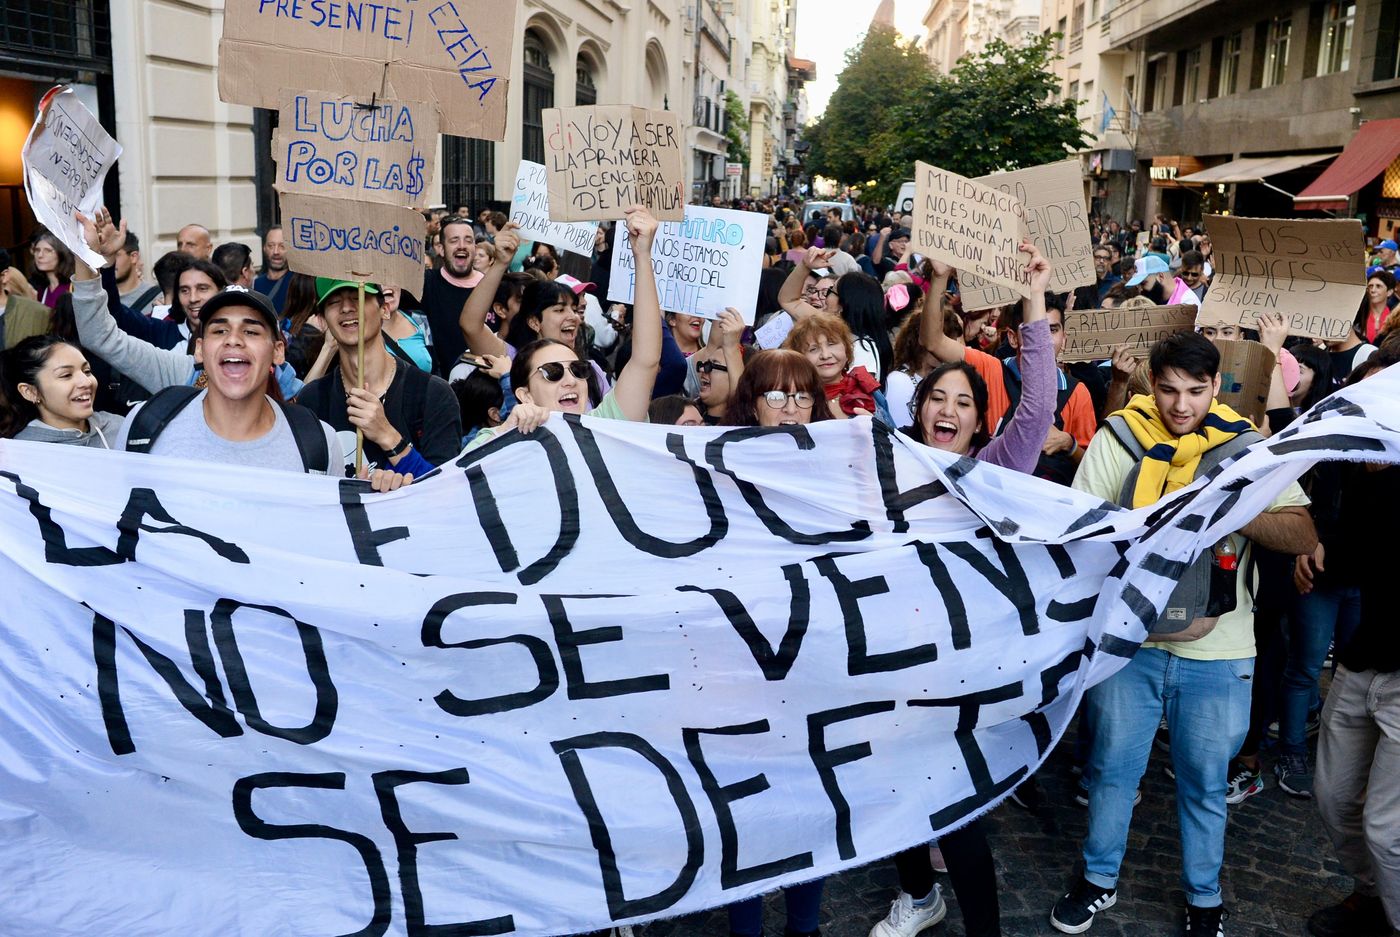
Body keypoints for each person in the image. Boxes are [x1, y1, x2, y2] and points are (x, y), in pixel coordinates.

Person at [1048, 331, 1316, 937]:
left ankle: (1204, 898)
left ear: (1216, 386)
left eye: (1196, 391)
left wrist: (1228, 503)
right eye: (1169, 390)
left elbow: (1302, 532)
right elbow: (1078, 535)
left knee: (1205, 784)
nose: (1181, 405)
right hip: (1129, 646)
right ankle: (1097, 879)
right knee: (1112, 773)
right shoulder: (1121, 437)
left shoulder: (1246, 450)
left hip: (1220, 651)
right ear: (1151, 381)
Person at [870, 240, 1055, 937]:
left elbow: (1036, 409)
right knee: (897, 793)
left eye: (964, 402)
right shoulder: (887, 468)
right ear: (920, 411)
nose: (948, 409)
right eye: (937, 398)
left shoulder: (994, 472)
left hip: (965, 666)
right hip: (894, 660)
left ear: (979, 422)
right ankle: (919, 895)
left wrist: (1033, 301)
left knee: (957, 807)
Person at [1304, 355, 1400, 937]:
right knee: (1333, 799)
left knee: (1388, 830)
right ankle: (1373, 898)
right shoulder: (1366, 470)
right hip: (1363, 661)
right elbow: (1359, 552)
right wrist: (1317, 552)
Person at [465, 206, 661, 449]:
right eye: (552, 372)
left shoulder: (603, 425)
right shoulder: (503, 439)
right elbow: (470, 326)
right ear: (525, 395)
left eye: (578, 370)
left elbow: (646, 360)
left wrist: (642, 255)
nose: (570, 380)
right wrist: (508, 431)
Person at [296, 278, 461, 476]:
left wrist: (387, 435)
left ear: (384, 310)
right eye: (334, 302)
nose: (346, 308)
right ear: (323, 320)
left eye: (358, 297)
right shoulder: (311, 401)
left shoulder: (433, 394)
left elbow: (446, 486)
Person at [0, 335, 123, 447]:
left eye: (87, 371)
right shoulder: (22, 452)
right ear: (30, 392)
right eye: (66, 375)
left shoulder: (120, 427)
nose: (86, 382)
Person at [783, 313, 888, 423]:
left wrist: (877, 428)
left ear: (847, 349)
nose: (825, 355)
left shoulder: (865, 386)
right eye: (813, 349)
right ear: (799, 358)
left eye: (832, 344)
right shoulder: (793, 401)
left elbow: (892, 432)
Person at [420, 216, 484, 375]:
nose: (462, 246)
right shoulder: (426, 283)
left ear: (475, 248)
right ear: (441, 249)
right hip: (442, 383)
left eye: (468, 240)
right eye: (454, 240)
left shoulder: (491, 288)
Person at [1124, 255, 1201, 308]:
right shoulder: (1157, 298)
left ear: (1160, 276)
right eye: (1138, 285)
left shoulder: (1187, 302)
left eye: (1143, 283)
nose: (1140, 289)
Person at [114, 231, 160, 315]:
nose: (108, 261)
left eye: (116, 254)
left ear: (133, 257)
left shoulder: (157, 297)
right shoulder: (98, 298)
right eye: (105, 256)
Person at [29, 231, 73, 309]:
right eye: (37, 250)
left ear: (62, 254)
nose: (40, 255)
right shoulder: (40, 292)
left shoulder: (72, 289)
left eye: (47, 250)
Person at [253, 225, 291, 313]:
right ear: (264, 248)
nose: (276, 252)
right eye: (271, 246)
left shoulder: (299, 283)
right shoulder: (255, 285)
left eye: (282, 246)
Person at [1358, 270, 1397, 344]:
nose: (1373, 290)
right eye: (1370, 286)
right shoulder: (1358, 316)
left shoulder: (1395, 318)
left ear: (1389, 292)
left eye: (1378, 286)